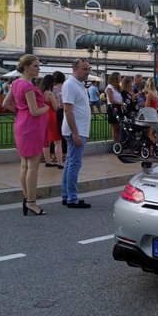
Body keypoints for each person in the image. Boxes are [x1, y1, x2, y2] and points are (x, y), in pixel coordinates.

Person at [1, 54, 49, 215]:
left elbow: (5, 103)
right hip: (31, 127)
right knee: (33, 166)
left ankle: (27, 197)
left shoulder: (15, 83)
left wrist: (20, 111)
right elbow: (35, 111)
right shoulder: (27, 86)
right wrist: (47, 108)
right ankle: (31, 202)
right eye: (36, 66)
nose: (38, 68)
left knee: (24, 165)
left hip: (22, 124)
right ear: (26, 67)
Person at [61, 57, 92, 209]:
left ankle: (67, 195)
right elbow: (67, 109)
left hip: (80, 130)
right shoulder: (70, 84)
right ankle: (72, 197)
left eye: (88, 69)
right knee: (74, 164)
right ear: (75, 68)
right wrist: (76, 133)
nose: (87, 72)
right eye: (84, 69)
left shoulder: (79, 85)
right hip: (75, 131)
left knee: (70, 163)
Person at [40, 74, 63, 169]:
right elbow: (56, 107)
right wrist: (57, 99)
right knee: (57, 141)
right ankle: (60, 163)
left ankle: (48, 161)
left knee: (47, 141)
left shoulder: (40, 93)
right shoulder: (50, 94)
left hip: (43, 116)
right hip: (52, 117)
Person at [105, 72, 124, 142]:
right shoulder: (110, 87)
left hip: (118, 107)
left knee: (119, 127)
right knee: (115, 127)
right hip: (113, 107)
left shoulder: (118, 87)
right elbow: (111, 100)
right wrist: (121, 103)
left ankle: (119, 142)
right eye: (119, 77)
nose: (120, 79)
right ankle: (116, 143)